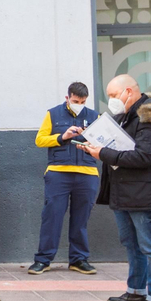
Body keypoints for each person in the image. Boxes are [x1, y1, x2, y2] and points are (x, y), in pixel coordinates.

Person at [77, 74, 151, 301]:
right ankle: (136, 290)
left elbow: (144, 156)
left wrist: (103, 153)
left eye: (114, 95)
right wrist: (95, 144)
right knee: (132, 244)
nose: (111, 100)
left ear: (129, 92)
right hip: (125, 191)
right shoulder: (127, 116)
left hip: (146, 192)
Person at [30, 82, 101, 275]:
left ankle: (79, 259)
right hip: (59, 172)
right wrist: (63, 136)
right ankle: (43, 260)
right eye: (76, 101)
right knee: (52, 217)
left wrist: (90, 142)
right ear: (67, 98)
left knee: (81, 219)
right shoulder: (52, 114)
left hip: (87, 172)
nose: (79, 104)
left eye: (83, 101)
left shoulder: (95, 116)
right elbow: (40, 140)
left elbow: (104, 142)